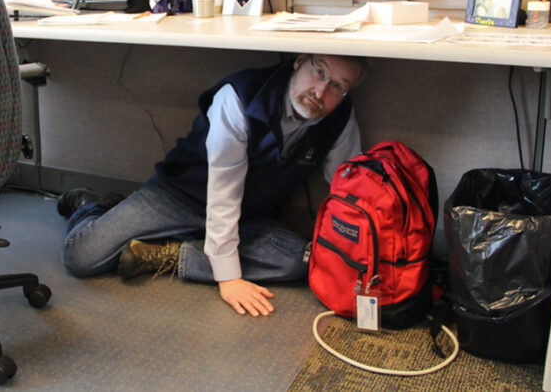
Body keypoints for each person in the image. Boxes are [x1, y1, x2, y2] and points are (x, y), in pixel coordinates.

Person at [58, 53, 366, 317]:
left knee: (304, 261)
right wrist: (228, 279)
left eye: (337, 86)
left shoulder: (339, 117)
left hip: (249, 216)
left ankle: (173, 254)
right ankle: (93, 207)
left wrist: (363, 256)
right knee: (82, 256)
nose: (321, 91)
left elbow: (350, 190)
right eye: (319, 71)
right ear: (300, 61)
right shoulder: (240, 97)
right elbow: (224, 190)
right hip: (182, 195)